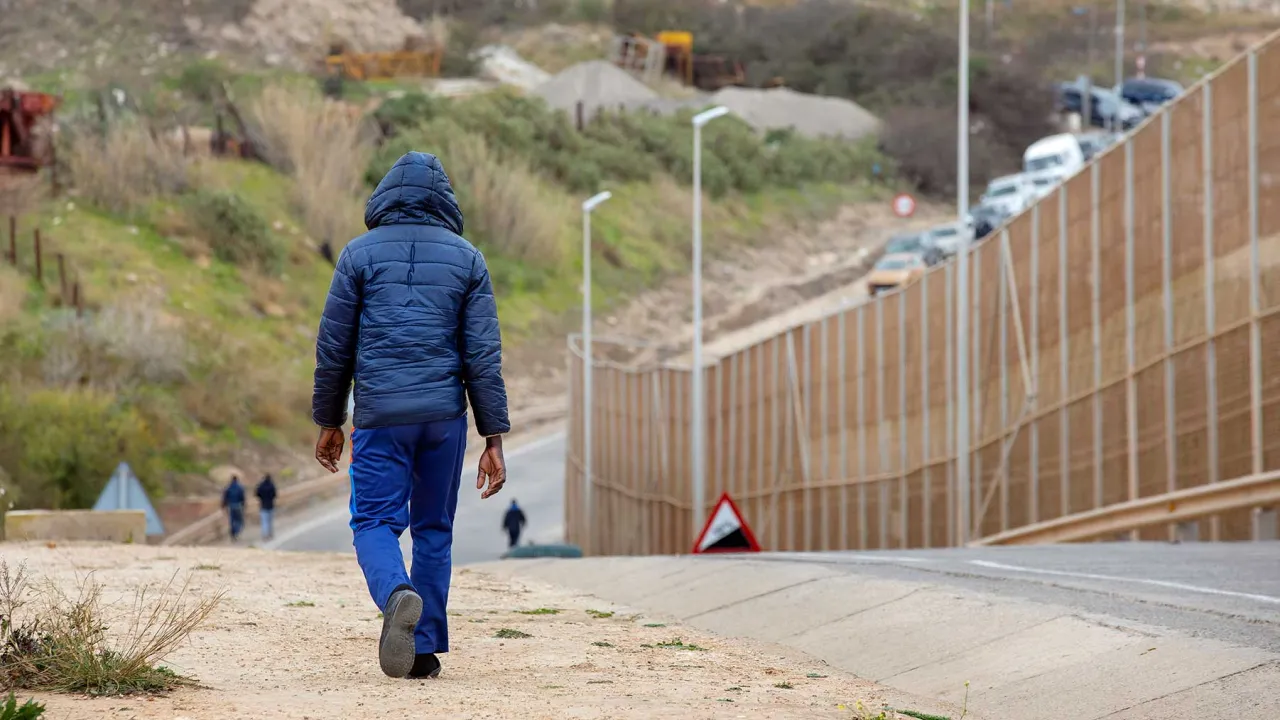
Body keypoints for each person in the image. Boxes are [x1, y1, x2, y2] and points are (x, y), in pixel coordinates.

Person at [311, 151, 510, 681]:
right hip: (444, 419)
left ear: (383, 198)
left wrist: (329, 420)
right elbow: (482, 357)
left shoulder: (357, 256)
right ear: (445, 201)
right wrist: (492, 435)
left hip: (380, 418)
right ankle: (422, 649)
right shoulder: (468, 259)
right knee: (433, 528)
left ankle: (397, 594)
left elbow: (335, 349)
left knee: (374, 520)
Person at [221, 476, 246, 542]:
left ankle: (232, 531)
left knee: (232, 519)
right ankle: (236, 531)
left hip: (230, 506)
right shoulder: (240, 487)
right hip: (238, 505)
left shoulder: (228, 487)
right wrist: (244, 505)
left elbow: (225, 497)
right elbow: (242, 497)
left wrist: (223, 505)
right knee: (239, 520)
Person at [255, 474, 277, 541]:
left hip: (263, 505)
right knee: (270, 521)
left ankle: (265, 534)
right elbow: (275, 494)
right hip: (270, 505)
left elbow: (257, 493)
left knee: (264, 521)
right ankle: (270, 533)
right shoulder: (272, 485)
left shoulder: (261, 486)